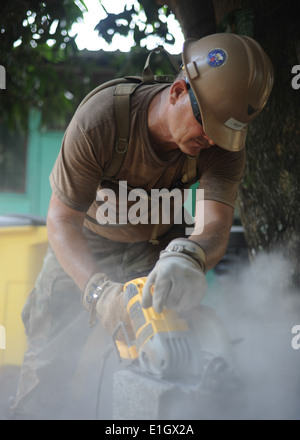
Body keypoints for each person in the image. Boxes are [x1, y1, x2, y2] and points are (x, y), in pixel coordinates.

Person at [11, 33, 273, 420]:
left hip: (161, 251)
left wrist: (189, 257)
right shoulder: (101, 121)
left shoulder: (223, 145)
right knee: (48, 366)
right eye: (208, 125)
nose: (212, 139)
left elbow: (214, 223)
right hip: (85, 244)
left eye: (223, 133)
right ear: (178, 91)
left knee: (173, 363)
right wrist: (100, 294)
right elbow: (61, 220)